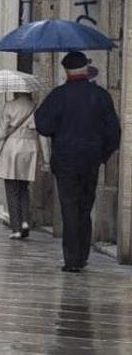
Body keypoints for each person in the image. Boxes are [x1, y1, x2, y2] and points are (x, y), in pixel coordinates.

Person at [35, 51, 121, 273]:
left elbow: (43, 125)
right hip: (91, 161)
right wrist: (102, 155)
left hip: (65, 162)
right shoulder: (101, 96)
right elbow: (114, 132)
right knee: (85, 206)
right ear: (85, 69)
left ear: (66, 71)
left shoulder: (58, 96)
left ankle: (72, 259)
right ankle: (82, 255)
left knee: (69, 208)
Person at [0, 92, 48, 240]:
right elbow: (43, 135)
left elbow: (0, 134)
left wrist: (7, 130)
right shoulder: (36, 108)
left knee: (12, 189)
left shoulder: (10, 106)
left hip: (12, 149)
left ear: (16, 92)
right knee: (24, 188)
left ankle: (16, 228)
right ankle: (25, 221)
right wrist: (47, 159)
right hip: (30, 150)